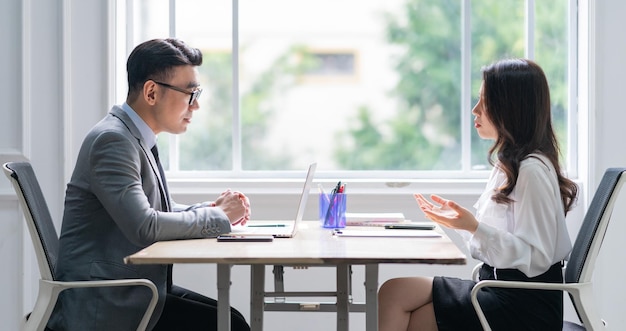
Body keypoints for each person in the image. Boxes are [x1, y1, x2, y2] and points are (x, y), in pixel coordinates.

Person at [48, 38, 252, 331]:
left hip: (133, 291)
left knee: (231, 321)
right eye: (190, 93)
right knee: (230, 325)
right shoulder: (113, 141)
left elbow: (151, 209)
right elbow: (144, 225)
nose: (196, 105)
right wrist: (219, 217)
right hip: (108, 303)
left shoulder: (131, 136)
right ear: (152, 92)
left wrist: (208, 208)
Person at [377, 58, 578, 331]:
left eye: (485, 102)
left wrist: (473, 226)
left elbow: (536, 257)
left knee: (411, 317)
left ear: (510, 108)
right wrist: (461, 224)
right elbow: (495, 241)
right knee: (393, 291)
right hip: (496, 288)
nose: (475, 110)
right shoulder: (508, 165)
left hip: (523, 305)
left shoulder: (531, 170)